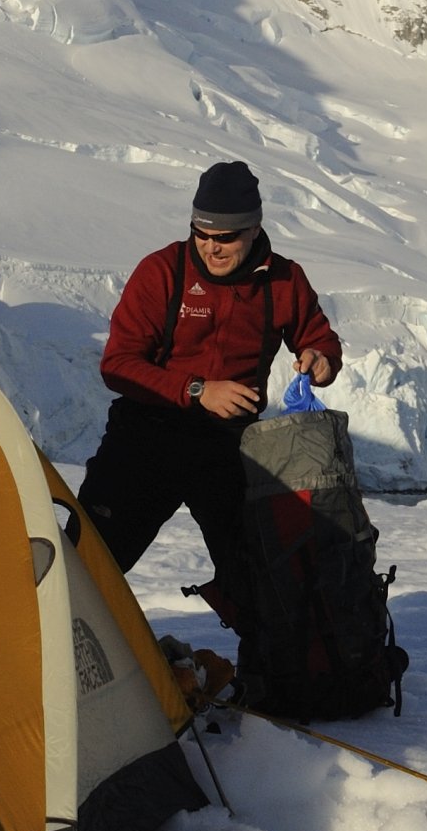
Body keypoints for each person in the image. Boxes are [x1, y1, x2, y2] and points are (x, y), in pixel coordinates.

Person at [79, 161, 341, 591]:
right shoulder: (162, 271)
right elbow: (118, 365)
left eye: (224, 238)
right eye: (200, 234)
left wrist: (321, 359)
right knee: (91, 566)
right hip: (146, 437)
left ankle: (264, 657)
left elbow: (320, 341)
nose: (210, 248)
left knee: (260, 583)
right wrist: (197, 390)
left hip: (230, 447)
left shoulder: (284, 280)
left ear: (253, 230)